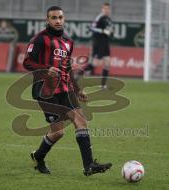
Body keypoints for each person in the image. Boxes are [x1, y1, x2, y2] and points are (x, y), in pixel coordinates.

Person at [23, 6, 112, 176]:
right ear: (47, 20)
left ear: (64, 19)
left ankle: (89, 166)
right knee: (58, 132)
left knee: (81, 121)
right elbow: (27, 62)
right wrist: (45, 69)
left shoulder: (68, 42)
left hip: (65, 87)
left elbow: (68, 67)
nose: (57, 21)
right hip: (45, 90)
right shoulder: (40, 39)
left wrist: (78, 89)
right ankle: (38, 156)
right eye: (54, 18)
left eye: (60, 17)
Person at [86, 3, 113, 89]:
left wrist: (110, 32)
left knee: (107, 63)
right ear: (102, 10)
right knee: (95, 63)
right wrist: (102, 31)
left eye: (108, 9)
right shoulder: (99, 17)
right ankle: (76, 77)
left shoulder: (108, 19)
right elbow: (91, 28)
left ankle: (103, 85)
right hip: (98, 43)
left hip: (105, 43)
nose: (106, 10)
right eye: (105, 9)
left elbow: (109, 30)